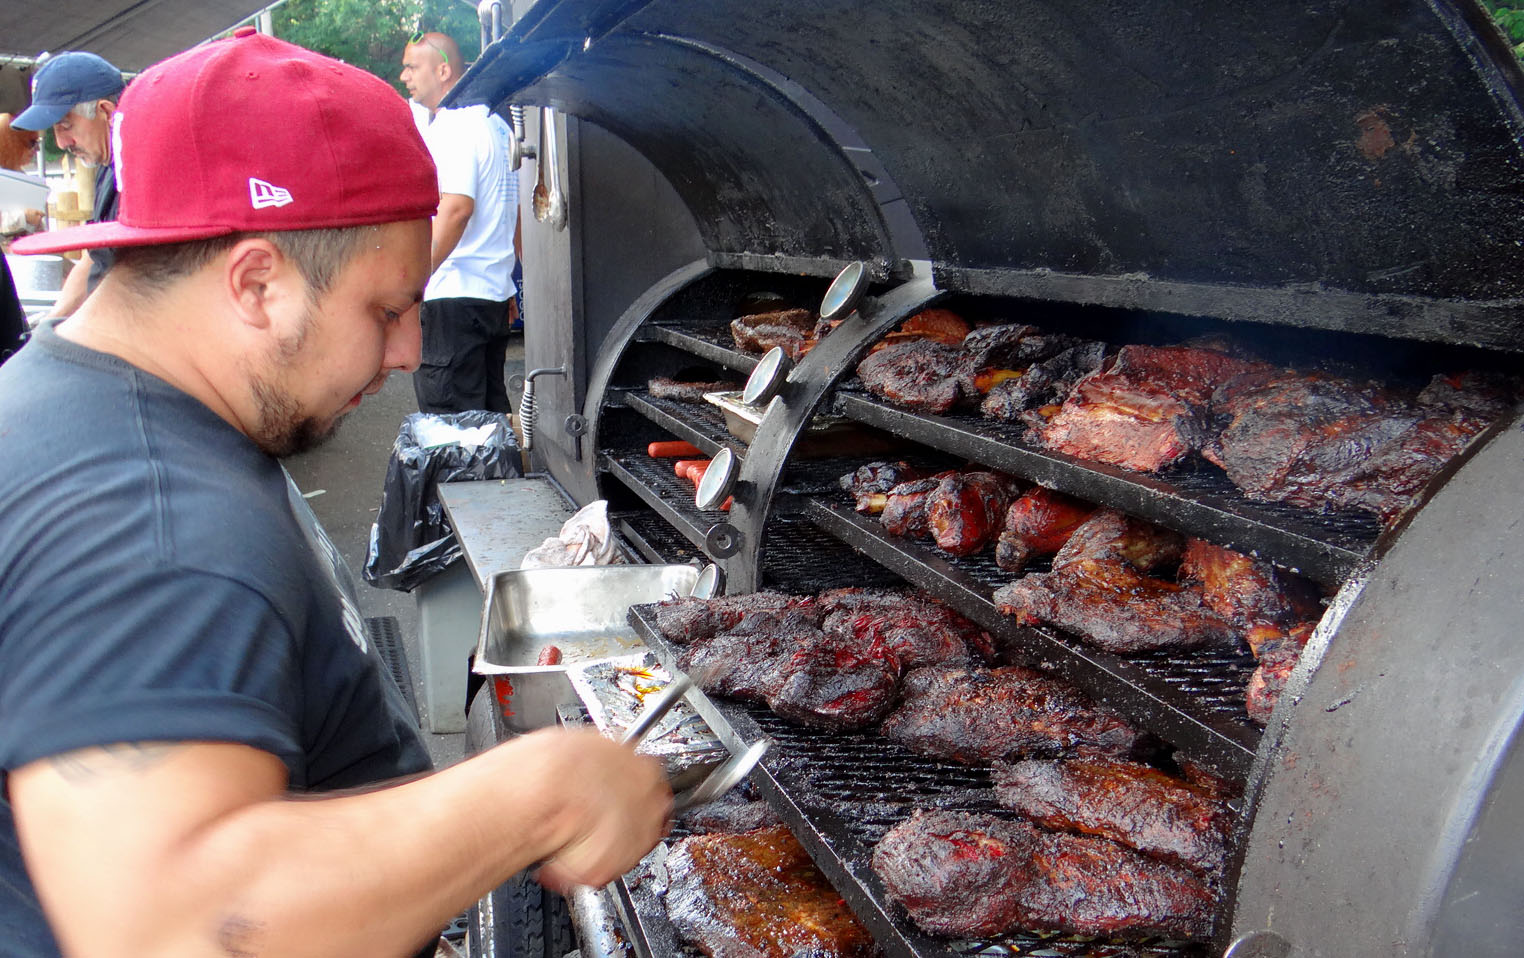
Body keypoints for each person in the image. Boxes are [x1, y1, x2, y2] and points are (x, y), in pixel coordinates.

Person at [0, 29, 669, 958]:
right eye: (387, 310)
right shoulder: (153, 520)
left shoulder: (74, 399)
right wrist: (537, 793)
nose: (405, 352)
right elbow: (170, 928)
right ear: (257, 281)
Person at [400, 30, 522, 415]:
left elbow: (456, 209)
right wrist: (509, 284)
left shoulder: (454, 125)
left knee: (453, 435)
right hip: (491, 298)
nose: (404, 77)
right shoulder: (496, 125)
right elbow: (512, 213)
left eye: (411, 67)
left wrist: (416, 280)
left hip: (453, 300)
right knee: (488, 426)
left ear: (443, 70)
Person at [11, 51, 125, 318]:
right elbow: (95, 255)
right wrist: (53, 323)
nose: (62, 143)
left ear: (106, 112)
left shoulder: (144, 169)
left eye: (65, 126)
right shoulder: (108, 166)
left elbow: (133, 273)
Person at [0, 113, 44, 239]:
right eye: (31, 143)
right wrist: (24, 217)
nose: (37, 149)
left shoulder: (19, 175)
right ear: (10, 143)